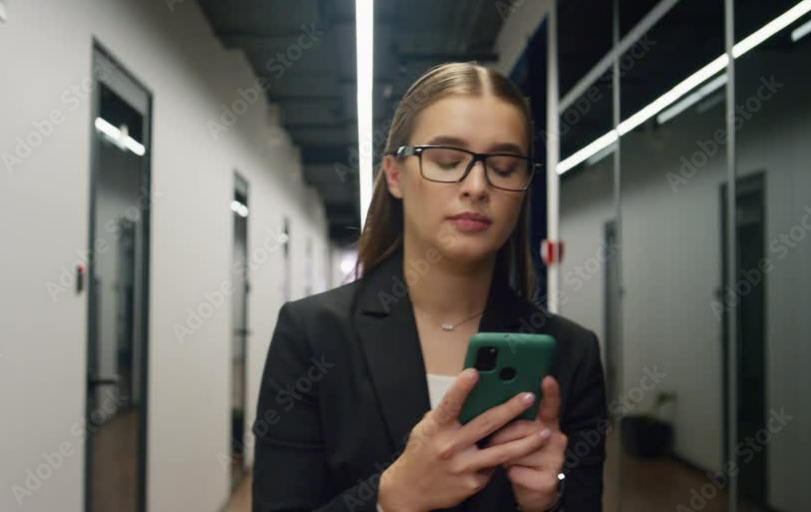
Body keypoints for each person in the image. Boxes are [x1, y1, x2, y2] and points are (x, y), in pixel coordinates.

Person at [251, 62, 607, 512]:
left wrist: (547, 501)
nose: (477, 187)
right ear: (395, 175)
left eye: (504, 166)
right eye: (447, 161)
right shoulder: (312, 335)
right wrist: (392, 498)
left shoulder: (570, 353)